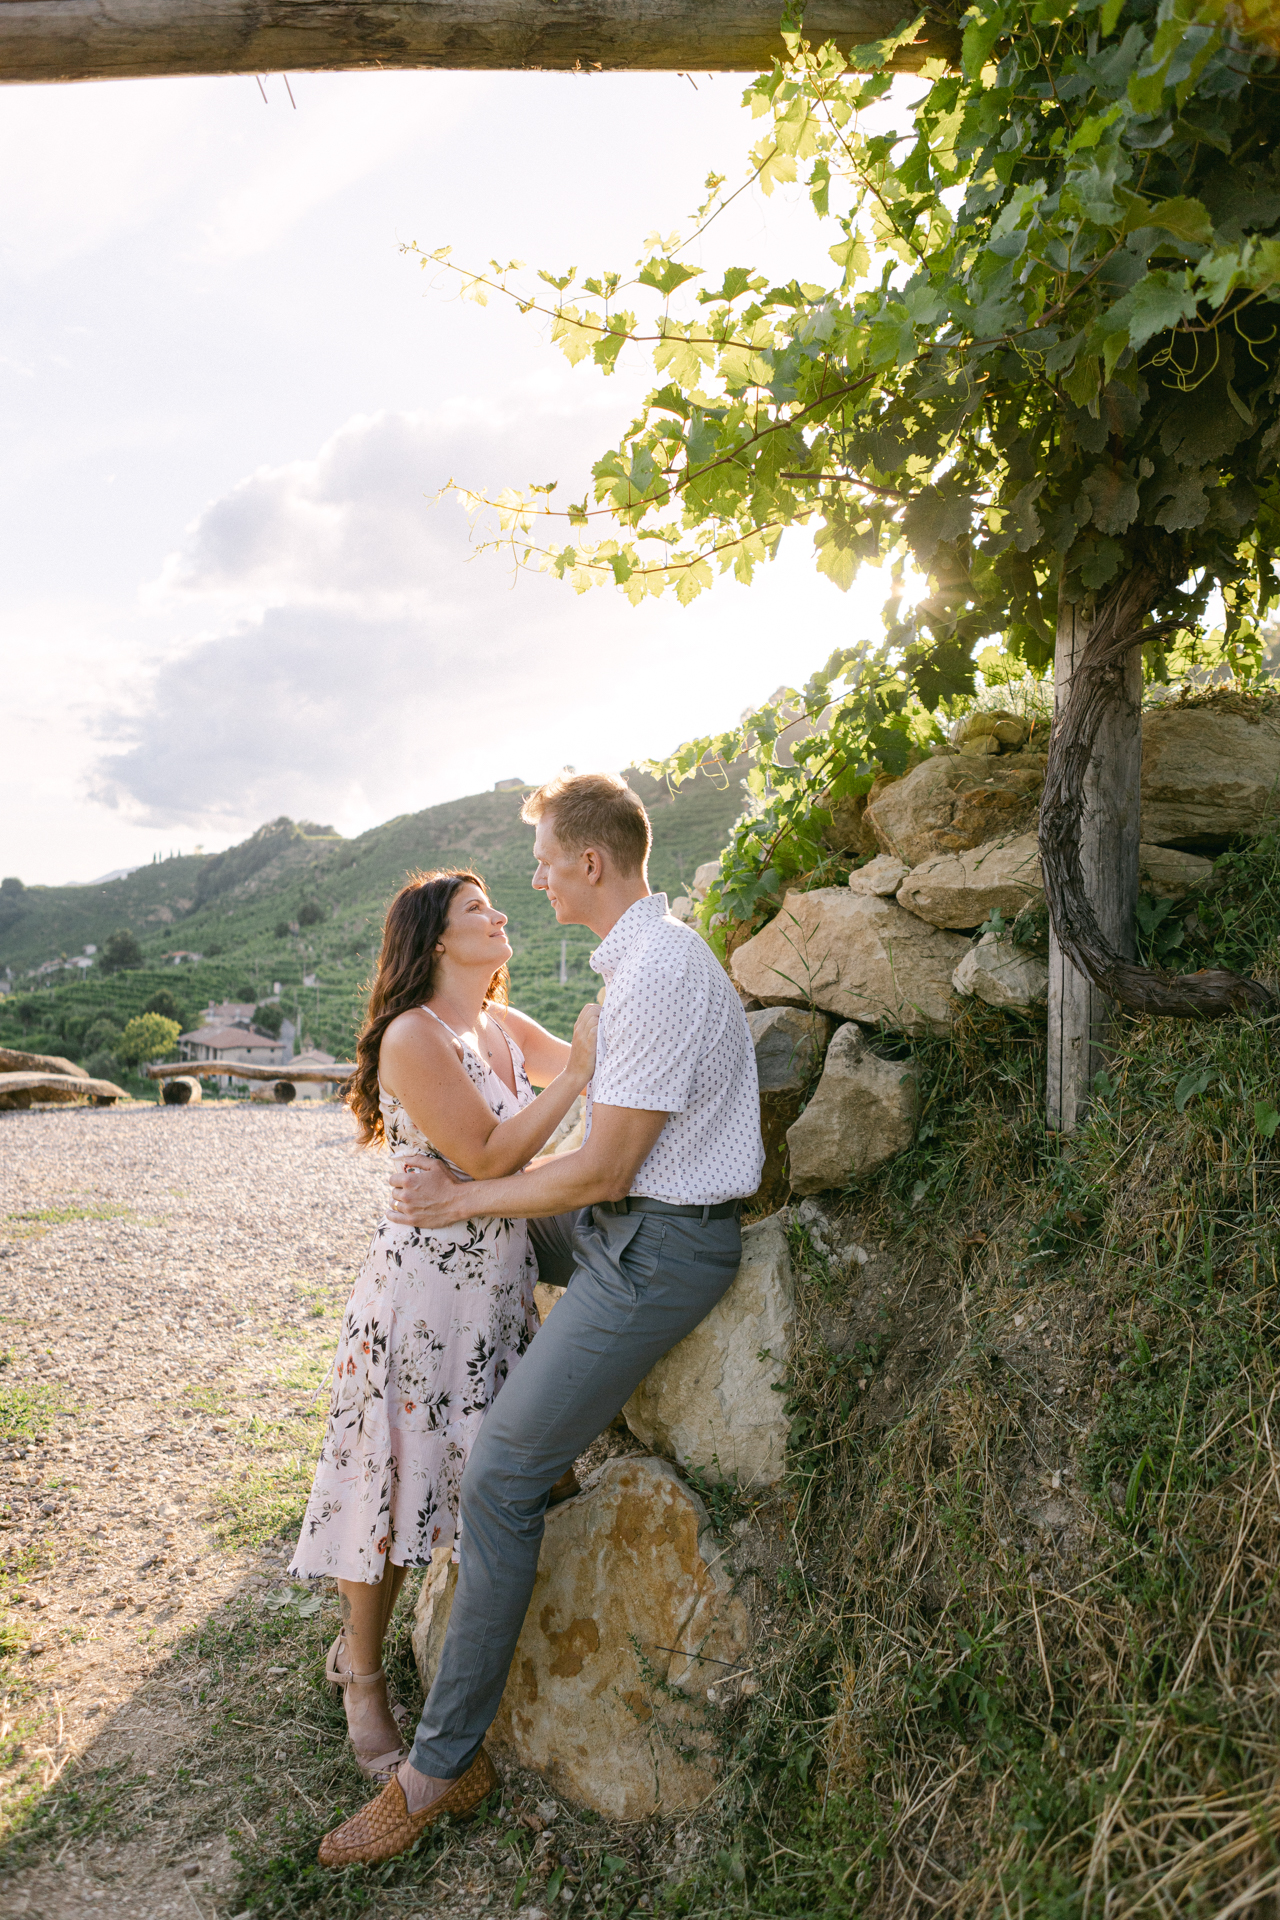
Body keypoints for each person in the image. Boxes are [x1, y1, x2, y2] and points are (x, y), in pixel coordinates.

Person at [317, 773, 763, 1868]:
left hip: (657, 1246)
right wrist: (458, 1205)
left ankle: (437, 1769)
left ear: (590, 864)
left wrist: (462, 1198)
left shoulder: (652, 975)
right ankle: (411, 1375)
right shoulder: (639, 964)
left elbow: (599, 1167)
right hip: (627, 1221)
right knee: (461, 1247)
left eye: (544, 862)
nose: (533, 881)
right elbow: (579, 1154)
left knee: (501, 1477)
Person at [289, 867, 599, 1780]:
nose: (499, 915)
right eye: (476, 909)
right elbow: (490, 1152)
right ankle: (362, 1676)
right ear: (435, 941)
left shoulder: (498, 1025)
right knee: (386, 1492)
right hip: (419, 1306)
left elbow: (585, 1065)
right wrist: (580, 1074)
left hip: (495, 1297)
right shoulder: (412, 1037)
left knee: (467, 1479)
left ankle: (416, 1656)